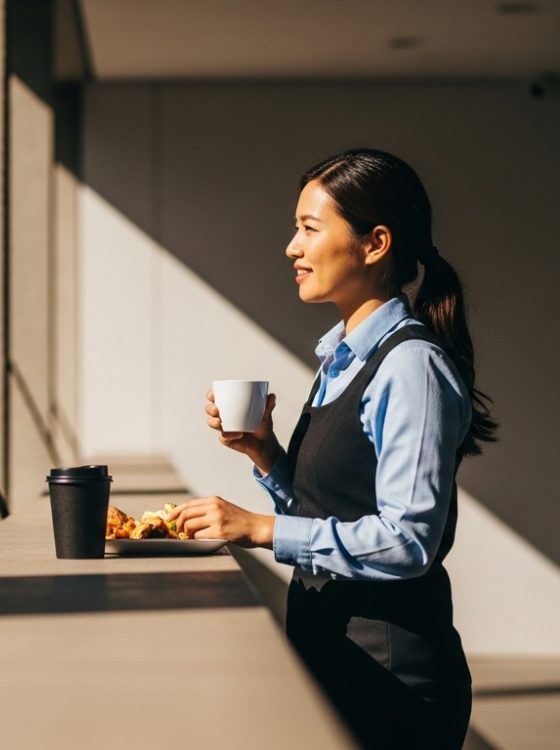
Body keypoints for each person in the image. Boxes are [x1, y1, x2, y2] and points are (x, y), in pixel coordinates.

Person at [167, 148, 497, 749]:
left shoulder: (411, 366)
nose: (292, 247)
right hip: (334, 659)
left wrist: (261, 528)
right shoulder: (343, 359)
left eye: (309, 229)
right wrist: (265, 453)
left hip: (391, 683)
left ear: (374, 244)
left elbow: (407, 541)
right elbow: (337, 508)